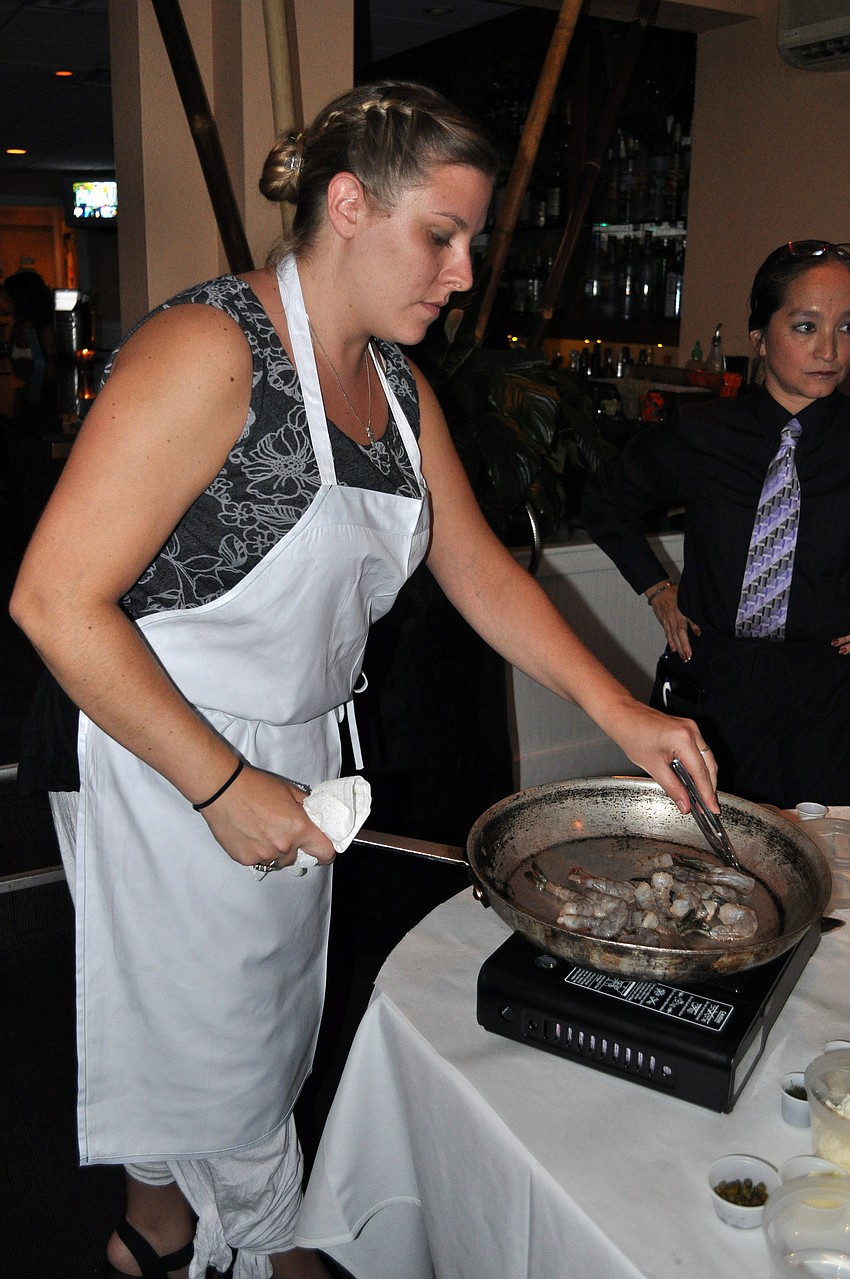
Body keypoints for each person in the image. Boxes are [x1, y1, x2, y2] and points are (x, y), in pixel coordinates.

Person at [9, 81, 714, 1279]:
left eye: (470, 240)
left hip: (290, 750)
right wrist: (222, 782)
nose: (459, 268)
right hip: (161, 749)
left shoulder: (394, 386)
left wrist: (619, 710)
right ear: (347, 204)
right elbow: (52, 601)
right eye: (440, 234)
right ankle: (271, 1248)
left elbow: (478, 567)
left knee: (244, 1026)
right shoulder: (206, 350)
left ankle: (153, 1231)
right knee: (218, 1048)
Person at [582, 239, 850, 810]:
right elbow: (605, 500)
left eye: (847, 327)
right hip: (712, 694)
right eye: (806, 326)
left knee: (821, 882)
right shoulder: (702, 433)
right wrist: (656, 588)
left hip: (828, 705)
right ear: (759, 337)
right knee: (699, 868)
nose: (830, 348)